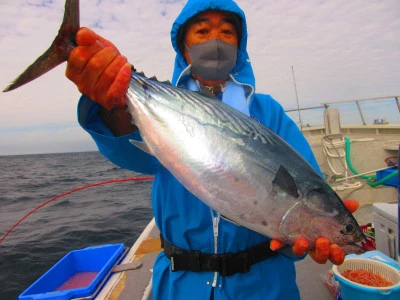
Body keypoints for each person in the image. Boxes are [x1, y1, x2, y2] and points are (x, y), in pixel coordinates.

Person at [66, 0, 358, 298]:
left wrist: (301, 244)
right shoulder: (165, 106)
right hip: (181, 286)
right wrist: (112, 103)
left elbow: (307, 187)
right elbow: (132, 154)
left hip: (263, 287)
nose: (215, 40)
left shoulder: (267, 112)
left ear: (239, 46)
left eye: (227, 32)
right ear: (184, 48)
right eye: (202, 30)